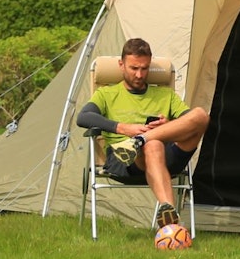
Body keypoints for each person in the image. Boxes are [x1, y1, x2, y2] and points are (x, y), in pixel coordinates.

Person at [77, 38, 210, 230]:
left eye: (145, 68)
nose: (140, 75)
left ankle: (141, 140)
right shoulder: (106, 94)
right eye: (134, 68)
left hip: (166, 155)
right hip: (125, 159)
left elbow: (194, 121)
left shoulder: (165, 95)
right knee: (153, 145)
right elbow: (83, 117)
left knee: (200, 115)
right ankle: (171, 223)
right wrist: (124, 128)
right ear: (121, 65)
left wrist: (169, 126)